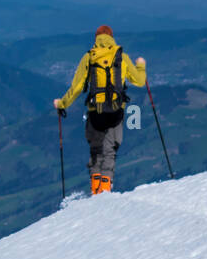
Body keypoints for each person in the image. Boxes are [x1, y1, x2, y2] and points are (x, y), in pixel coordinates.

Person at [54, 26, 147, 195]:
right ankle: (105, 189)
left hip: (95, 113)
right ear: (111, 37)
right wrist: (141, 66)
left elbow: (76, 88)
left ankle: (95, 190)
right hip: (115, 112)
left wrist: (62, 104)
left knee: (96, 150)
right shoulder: (122, 57)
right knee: (110, 151)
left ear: (96, 38)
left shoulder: (89, 57)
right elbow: (140, 81)